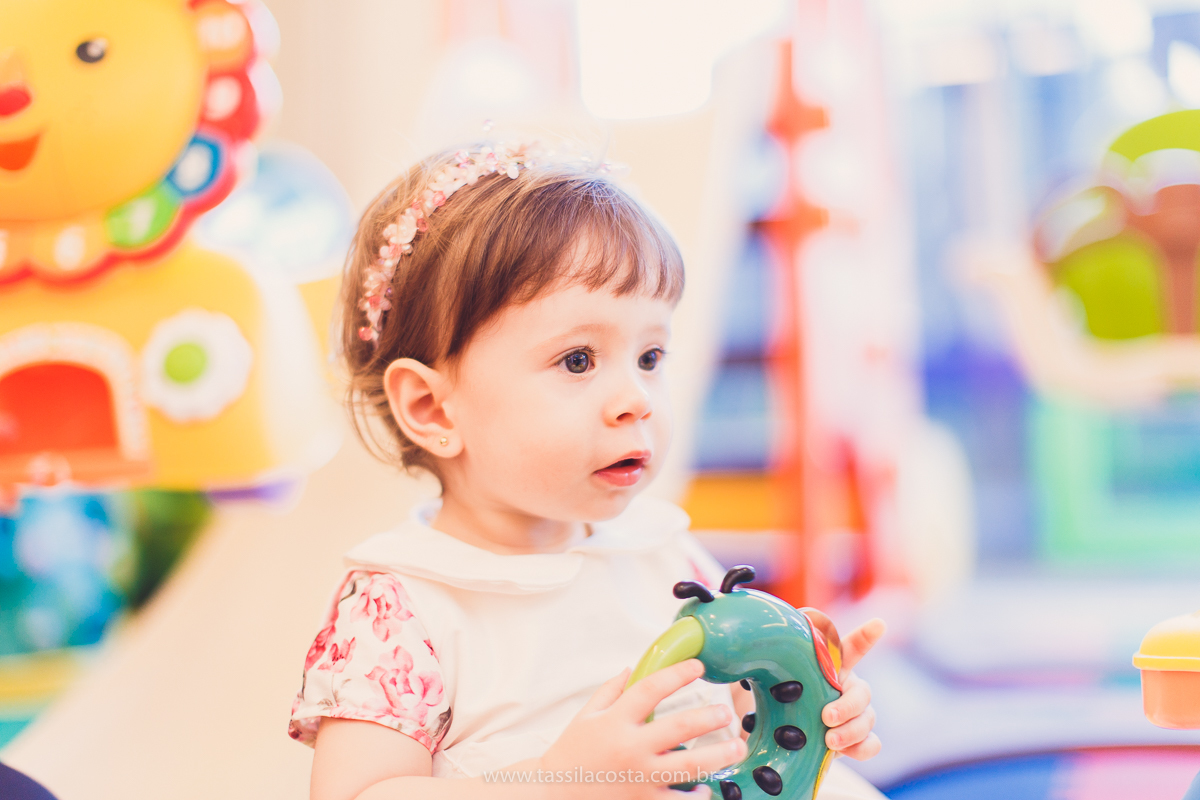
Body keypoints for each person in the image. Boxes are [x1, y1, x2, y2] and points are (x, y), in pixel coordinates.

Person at [289, 142, 887, 800]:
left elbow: (735, 718)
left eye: (651, 356)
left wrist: (803, 707)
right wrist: (555, 785)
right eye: (578, 360)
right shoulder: (402, 605)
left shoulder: (663, 555)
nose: (636, 398)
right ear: (433, 407)